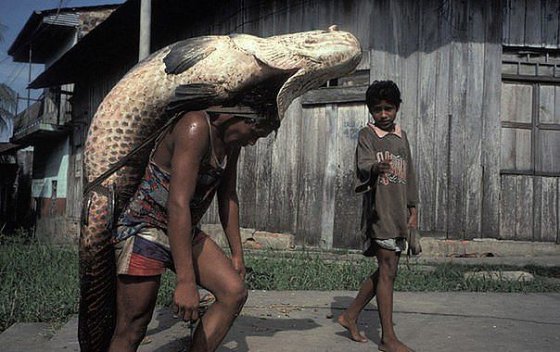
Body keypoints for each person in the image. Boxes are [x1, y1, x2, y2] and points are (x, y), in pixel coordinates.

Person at [108, 108, 279, 352]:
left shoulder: (232, 143)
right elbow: (178, 203)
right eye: (254, 132)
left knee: (234, 292)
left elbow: (228, 195)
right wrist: (186, 281)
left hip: (182, 228)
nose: (253, 141)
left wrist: (237, 254)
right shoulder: (195, 126)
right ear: (235, 117)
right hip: (145, 226)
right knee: (133, 326)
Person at [338, 80, 418, 352]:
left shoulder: (401, 136)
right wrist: (376, 166)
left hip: (399, 213)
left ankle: (349, 315)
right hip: (380, 212)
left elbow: (410, 175)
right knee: (387, 271)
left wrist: (413, 209)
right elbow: (362, 165)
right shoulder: (367, 135)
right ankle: (388, 338)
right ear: (370, 111)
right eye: (377, 109)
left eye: (388, 109)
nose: (383, 114)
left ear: (397, 108)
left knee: (388, 270)